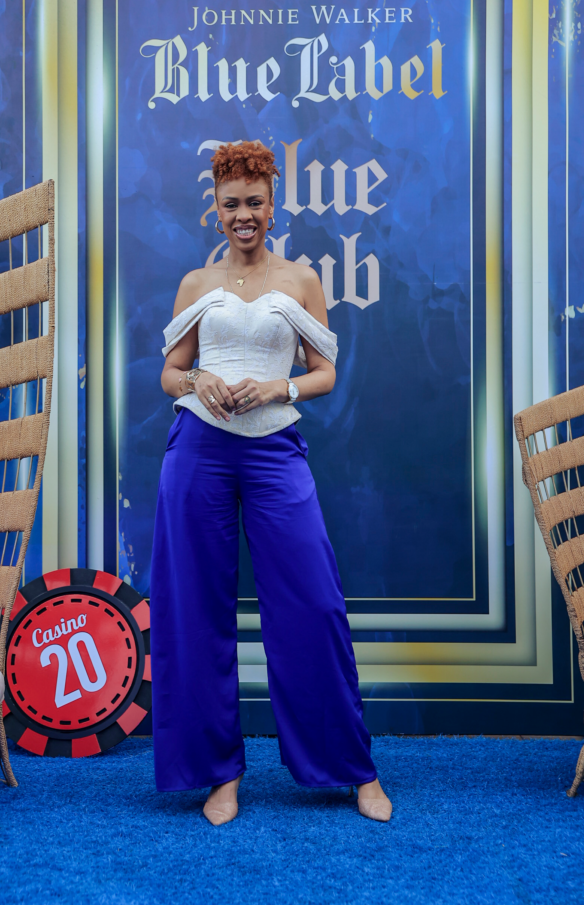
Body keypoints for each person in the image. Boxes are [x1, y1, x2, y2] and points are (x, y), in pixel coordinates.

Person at [151, 141, 392, 825]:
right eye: (231, 204)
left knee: (313, 604)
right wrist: (199, 381)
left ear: (272, 204)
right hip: (197, 449)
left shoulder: (301, 280)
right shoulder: (196, 284)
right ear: (215, 207)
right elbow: (169, 373)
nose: (243, 215)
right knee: (194, 608)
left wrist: (275, 387)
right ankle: (217, 775)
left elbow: (325, 372)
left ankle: (353, 770)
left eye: (254, 202)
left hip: (274, 450)